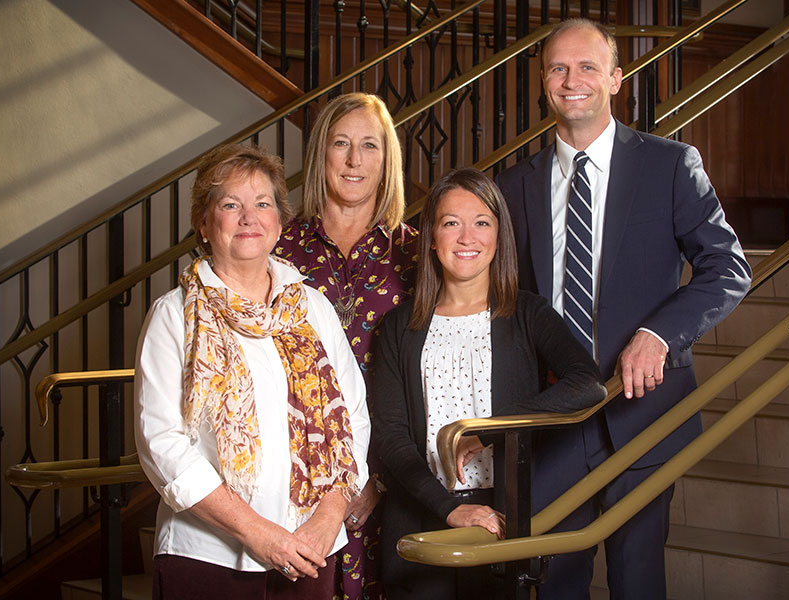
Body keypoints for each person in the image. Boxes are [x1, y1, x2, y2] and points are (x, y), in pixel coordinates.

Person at [495, 18, 753, 600]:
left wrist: (660, 334)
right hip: (554, 421)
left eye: (587, 66)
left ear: (616, 78)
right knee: (557, 583)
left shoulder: (670, 165)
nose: (572, 79)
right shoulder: (513, 187)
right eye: (558, 68)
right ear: (543, 82)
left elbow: (728, 269)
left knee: (638, 583)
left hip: (642, 414)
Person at [134, 143, 371, 600]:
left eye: (262, 203)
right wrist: (258, 533)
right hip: (207, 555)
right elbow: (161, 443)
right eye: (230, 205)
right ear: (204, 224)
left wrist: (328, 519)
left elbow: (354, 419)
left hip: (310, 550)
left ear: (279, 222)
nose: (249, 217)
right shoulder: (174, 315)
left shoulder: (314, 308)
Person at [372, 168, 606, 600]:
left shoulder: (527, 313)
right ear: (431, 238)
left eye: (481, 222)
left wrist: (485, 432)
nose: (467, 237)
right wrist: (451, 509)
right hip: (420, 518)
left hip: (502, 520)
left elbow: (587, 383)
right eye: (450, 223)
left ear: (499, 236)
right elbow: (390, 439)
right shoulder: (399, 326)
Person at [274, 92, 417, 600]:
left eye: (369, 146)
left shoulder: (418, 255)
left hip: (392, 476)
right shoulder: (279, 252)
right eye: (341, 144)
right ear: (321, 155)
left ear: (387, 160)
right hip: (295, 482)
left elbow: (430, 382)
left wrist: (378, 479)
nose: (355, 160)